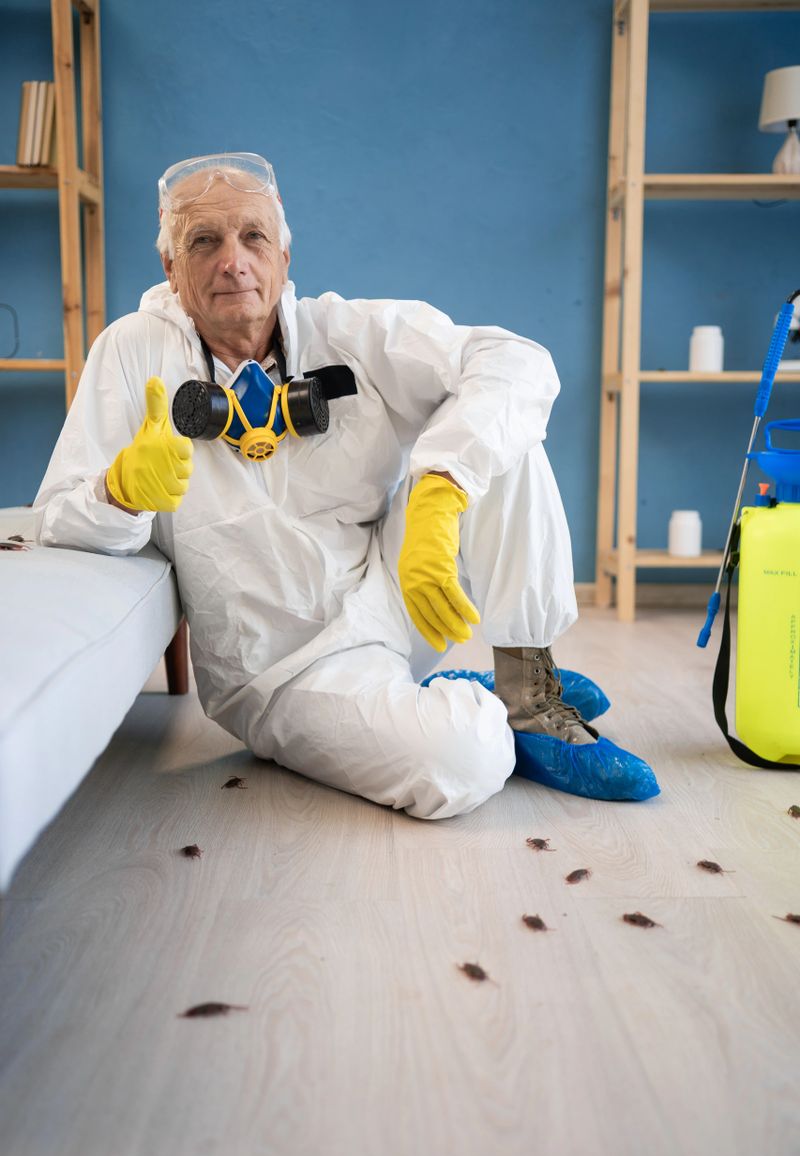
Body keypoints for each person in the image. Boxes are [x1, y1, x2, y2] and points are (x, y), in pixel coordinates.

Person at [34, 152, 658, 819]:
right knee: (464, 762)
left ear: (285, 254)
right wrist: (121, 490)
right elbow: (55, 521)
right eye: (204, 242)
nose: (233, 262)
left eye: (253, 237)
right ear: (171, 268)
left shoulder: (346, 334)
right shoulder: (132, 354)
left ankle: (526, 692)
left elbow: (515, 360)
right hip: (284, 672)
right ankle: (452, 706)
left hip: (395, 593)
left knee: (505, 431)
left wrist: (442, 487)